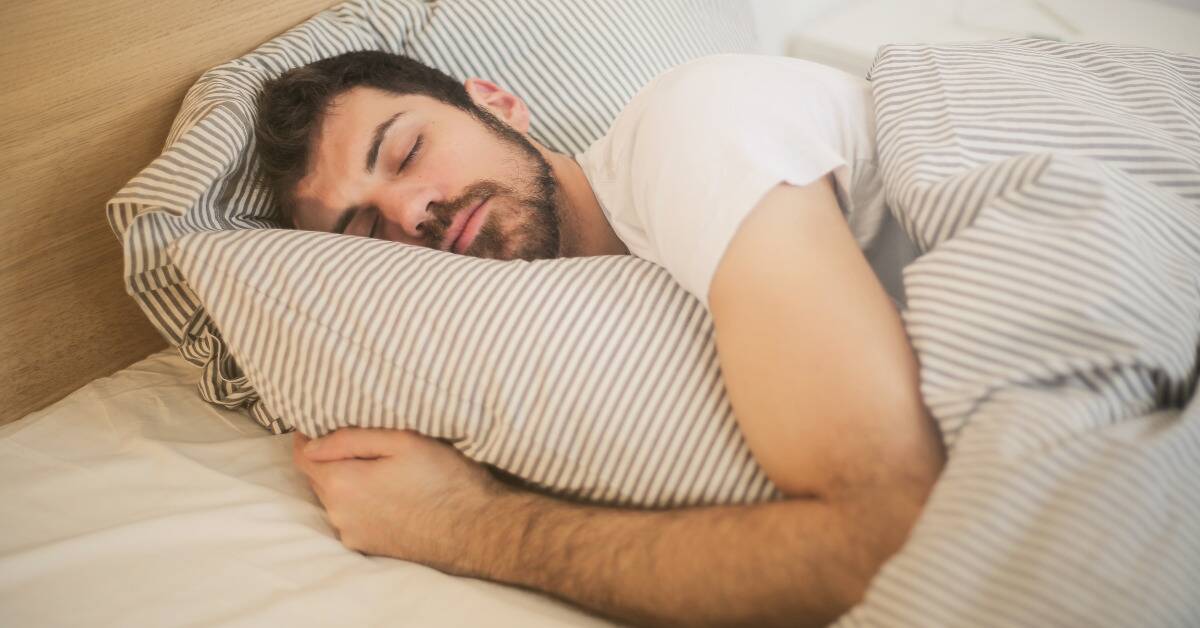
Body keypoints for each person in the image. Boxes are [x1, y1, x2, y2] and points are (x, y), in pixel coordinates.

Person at [255, 49, 945, 627]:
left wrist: (462, 524)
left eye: (407, 151)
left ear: (496, 104)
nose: (410, 212)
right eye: (368, 232)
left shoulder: (692, 129)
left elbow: (889, 540)